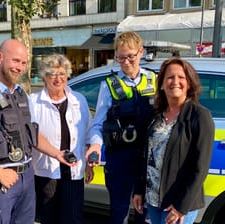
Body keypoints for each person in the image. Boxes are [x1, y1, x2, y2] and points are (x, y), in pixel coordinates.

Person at [0, 39, 75, 224]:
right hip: (0, 181)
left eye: (23, 63)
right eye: (15, 61)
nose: (19, 67)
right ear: (0, 58)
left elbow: (32, 133)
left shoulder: (22, 94)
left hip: (27, 177)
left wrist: (57, 154)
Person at [132, 57, 215, 224]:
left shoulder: (199, 116)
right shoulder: (156, 115)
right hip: (154, 198)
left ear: (189, 84)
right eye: (169, 77)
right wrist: (139, 190)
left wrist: (181, 206)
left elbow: (200, 168)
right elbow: (145, 157)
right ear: (161, 84)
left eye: (181, 77)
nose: (175, 81)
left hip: (177, 203)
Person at [86, 31, 157, 224]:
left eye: (131, 56)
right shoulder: (108, 84)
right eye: (120, 57)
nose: (126, 62)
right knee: (120, 212)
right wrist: (94, 145)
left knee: (147, 213)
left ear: (141, 52)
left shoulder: (154, 80)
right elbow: (98, 124)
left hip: (149, 158)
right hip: (120, 158)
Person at [30, 54, 93, 224]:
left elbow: (87, 133)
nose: (58, 79)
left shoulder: (79, 100)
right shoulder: (33, 102)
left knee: (73, 218)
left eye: (62, 74)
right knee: (49, 218)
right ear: (44, 76)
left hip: (73, 171)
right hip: (45, 173)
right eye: (52, 74)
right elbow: (31, 136)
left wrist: (88, 165)